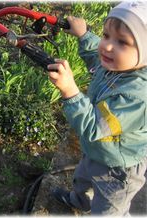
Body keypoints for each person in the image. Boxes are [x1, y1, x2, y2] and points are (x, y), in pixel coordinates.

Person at [47, 1, 147, 215]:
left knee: (108, 209)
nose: (108, 46)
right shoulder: (118, 64)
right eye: (106, 35)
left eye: (122, 42)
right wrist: (84, 35)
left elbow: (94, 126)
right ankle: (79, 201)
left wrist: (70, 91)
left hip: (118, 170)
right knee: (82, 179)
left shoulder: (137, 97)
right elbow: (96, 58)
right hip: (96, 151)